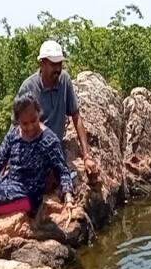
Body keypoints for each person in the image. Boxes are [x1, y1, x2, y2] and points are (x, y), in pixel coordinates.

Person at [0, 93, 74, 218]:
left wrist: (68, 198)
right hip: (7, 185)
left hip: (26, 196)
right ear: (18, 121)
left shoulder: (49, 140)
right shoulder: (14, 134)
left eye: (34, 120)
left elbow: (62, 171)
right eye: (24, 124)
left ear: (39, 114)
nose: (30, 127)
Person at [17, 40, 99, 178]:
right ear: (42, 64)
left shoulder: (64, 81)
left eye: (60, 64)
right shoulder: (28, 88)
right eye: (53, 64)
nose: (58, 69)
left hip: (55, 150)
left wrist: (86, 156)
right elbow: (16, 128)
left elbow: (76, 116)